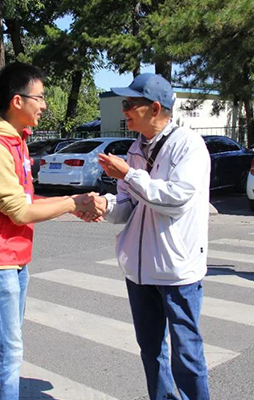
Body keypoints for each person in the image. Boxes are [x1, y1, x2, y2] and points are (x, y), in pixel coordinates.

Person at [0, 61, 95, 400]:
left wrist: (73, 202)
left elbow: (27, 199)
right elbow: (20, 211)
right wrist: (72, 203)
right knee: (6, 349)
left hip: (12, 258)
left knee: (7, 345)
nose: (45, 105)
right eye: (40, 97)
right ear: (17, 101)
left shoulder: (15, 141)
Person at [80, 73, 212, 400]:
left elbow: (175, 200)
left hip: (176, 269)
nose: (123, 110)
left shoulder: (188, 145)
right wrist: (105, 205)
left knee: (187, 353)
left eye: (129, 104)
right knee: (151, 351)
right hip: (139, 269)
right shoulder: (136, 147)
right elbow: (129, 204)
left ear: (154, 108)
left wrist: (128, 174)